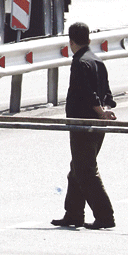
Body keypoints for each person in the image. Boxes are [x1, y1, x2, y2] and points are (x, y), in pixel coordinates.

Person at [50, 22, 117, 230]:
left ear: (70, 42)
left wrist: (99, 112)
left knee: (85, 169)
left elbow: (89, 94)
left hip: (83, 123)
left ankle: (105, 216)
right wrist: (104, 112)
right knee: (77, 168)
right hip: (97, 124)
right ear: (88, 39)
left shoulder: (80, 63)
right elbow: (106, 95)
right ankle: (74, 213)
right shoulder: (97, 61)